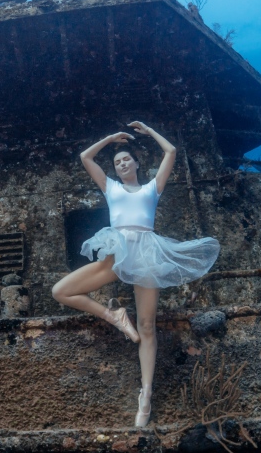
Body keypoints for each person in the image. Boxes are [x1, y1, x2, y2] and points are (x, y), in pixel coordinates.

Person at [51, 122, 220, 427]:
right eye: (117, 162)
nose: (122, 163)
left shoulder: (151, 188)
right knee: (61, 291)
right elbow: (85, 158)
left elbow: (171, 151)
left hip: (146, 255)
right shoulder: (111, 187)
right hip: (117, 253)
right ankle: (114, 316)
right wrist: (109, 138)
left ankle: (146, 395)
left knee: (146, 326)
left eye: (126, 159)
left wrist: (149, 131)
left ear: (138, 163)